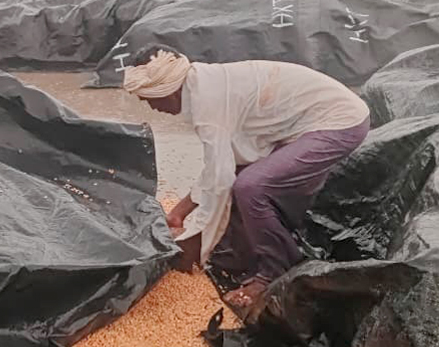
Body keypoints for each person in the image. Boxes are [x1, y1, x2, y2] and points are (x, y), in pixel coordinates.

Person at [124, 47, 371, 316]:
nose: (151, 107)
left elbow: (220, 180)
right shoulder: (199, 85)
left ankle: (271, 276)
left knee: (251, 187)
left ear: (167, 90)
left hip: (340, 122)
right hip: (306, 121)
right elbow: (219, 170)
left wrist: (193, 238)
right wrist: (179, 214)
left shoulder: (207, 102)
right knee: (244, 180)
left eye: (149, 99)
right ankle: (243, 253)